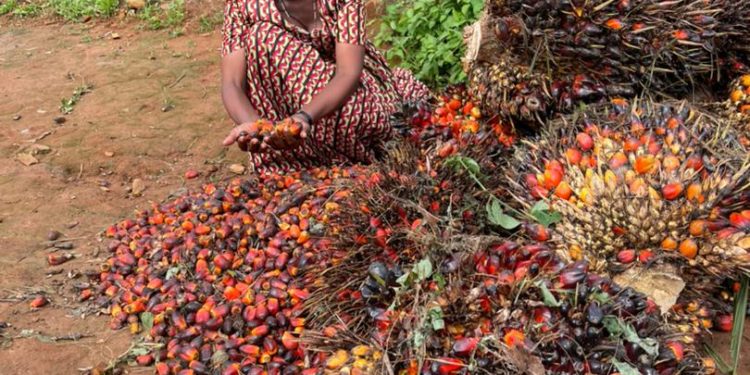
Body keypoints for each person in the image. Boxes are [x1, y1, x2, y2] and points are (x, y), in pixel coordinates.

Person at [220, 0, 431, 173]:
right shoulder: (243, 5)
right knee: (262, 36)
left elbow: (348, 73)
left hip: (340, 90)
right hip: (281, 99)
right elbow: (231, 83)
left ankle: (331, 151)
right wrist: (257, 126)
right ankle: (290, 151)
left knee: (368, 122)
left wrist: (304, 117)